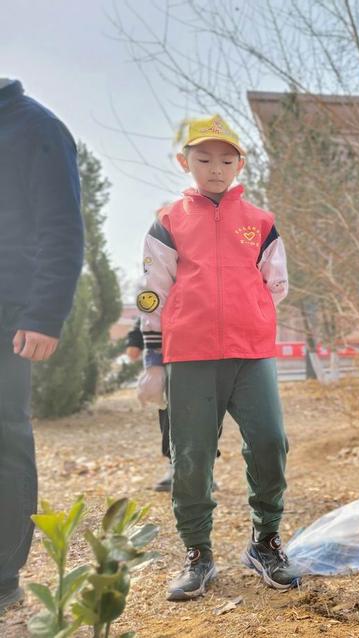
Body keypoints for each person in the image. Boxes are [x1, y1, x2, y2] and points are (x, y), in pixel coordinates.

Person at [137, 115, 294, 601]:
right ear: (185, 161)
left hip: (252, 355)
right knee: (191, 456)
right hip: (190, 356)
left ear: (240, 163)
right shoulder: (168, 220)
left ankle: (265, 540)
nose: (215, 168)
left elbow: (278, 283)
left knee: (270, 442)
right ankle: (197, 552)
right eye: (204, 158)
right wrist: (152, 360)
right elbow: (151, 291)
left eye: (227, 159)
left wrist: (250, 312)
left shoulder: (260, 222)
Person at [0, 78, 84, 614]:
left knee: (3, 437)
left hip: (9, 311)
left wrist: (45, 313)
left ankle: (2, 571)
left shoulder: (37, 127)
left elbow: (62, 228)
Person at [127, 317, 222, 491]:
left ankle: (206, 469)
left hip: (206, 358)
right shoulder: (161, 293)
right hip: (170, 363)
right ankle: (174, 467)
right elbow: (148, 313)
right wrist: (135, 340)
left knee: (208, 416)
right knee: (171, 416)